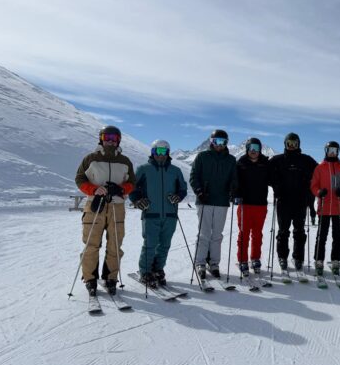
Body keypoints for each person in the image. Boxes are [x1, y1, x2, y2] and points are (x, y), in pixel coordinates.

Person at [74, 125, 135, 296]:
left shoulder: (125, 161)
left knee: (115, 244)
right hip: (95, 205)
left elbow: (132, 182)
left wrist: (121, 189)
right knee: (91, 244)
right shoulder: (91, 159)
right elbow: (80, 178)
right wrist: (93, 189)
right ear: (101, 139)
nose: (110, 141)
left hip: (117, 206)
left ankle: (110, 278)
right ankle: (90, 279)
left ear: (118, 141)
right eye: (107, 137)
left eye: (114, 138)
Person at [129, 140, 187, 287]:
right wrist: (137, 200)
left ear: (168, 153)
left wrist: (178, 197)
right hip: (151, 213)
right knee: (150, 244)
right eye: (157, 151)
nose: (160, 155)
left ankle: (158, 269)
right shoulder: (143, 169)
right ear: (152, 152)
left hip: (170, 214)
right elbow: (133, 188)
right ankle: (145, 271)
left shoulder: (175, 170)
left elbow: (182, 189)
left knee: (165, 245)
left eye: (163, 152)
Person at [189, 129, 237, 280]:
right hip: (205, 200)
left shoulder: (231, 160)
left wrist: (233, 191)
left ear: (226, 143)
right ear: (211, 141)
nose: (219, 145)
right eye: (216, 141)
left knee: (217, 235)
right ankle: (200, 263)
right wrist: (199, 191)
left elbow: (234, 179)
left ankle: (214, 263)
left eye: (223, 142)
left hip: (222, 201)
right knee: (204, 234)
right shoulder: (202, 156)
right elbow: (194, 176)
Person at [269, 132, 318, 273]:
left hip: (300, 201)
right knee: (283, 231)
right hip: (283, 201)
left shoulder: (306, 160)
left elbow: (319, 173)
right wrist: (275, 185)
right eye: (289, 143)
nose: (292, 146)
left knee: (299, 231)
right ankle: (282, 257)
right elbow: (266, 173)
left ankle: (298, 257)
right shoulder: (277, 160)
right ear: (285, 144)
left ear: (298, 144)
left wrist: (310, 186)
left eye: (294, 143)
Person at [311, 141, 340, 275]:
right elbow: (313, 185)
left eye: (335, 150)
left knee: (337, 236)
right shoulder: (319, 168)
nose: (332, 153)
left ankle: (335, 260)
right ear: (326, 151)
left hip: (338, 208)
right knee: (321, 236)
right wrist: (319, 192)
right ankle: (319, 260)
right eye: (330, 150)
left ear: (338, 152)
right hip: (324, 207)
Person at [234, 137, 271, 277]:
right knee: (243, 233)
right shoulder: (241, 163)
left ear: (260, 149)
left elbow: (273, 179)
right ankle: (242, 259)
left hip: (260, 204)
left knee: (257, 233)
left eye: (256, 148)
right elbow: (234, 182)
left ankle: (255, 258)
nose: (254, 151)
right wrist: (235, 194)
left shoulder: (265, 163)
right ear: (247, 149)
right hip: (245, 204)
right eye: (251, 148)